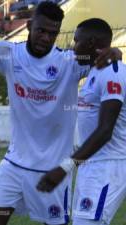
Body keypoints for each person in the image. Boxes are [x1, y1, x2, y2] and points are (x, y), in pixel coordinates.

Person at [0, 1, 122, 225]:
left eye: (53, 33)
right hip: (14, 163)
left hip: (53, 167)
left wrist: (116, 51)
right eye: (41, 30)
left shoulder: (69, 62)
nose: (46, 38)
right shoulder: (8, 53)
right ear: (30, 26)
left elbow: (104, 59)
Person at [37, 18, 126, 225]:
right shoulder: (96, 69)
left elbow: (105, 131)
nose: (73, 46)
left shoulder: (112, 74)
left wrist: (65, 167)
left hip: (108, 165)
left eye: (76, 41)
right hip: (90, 164)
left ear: (91, 42)